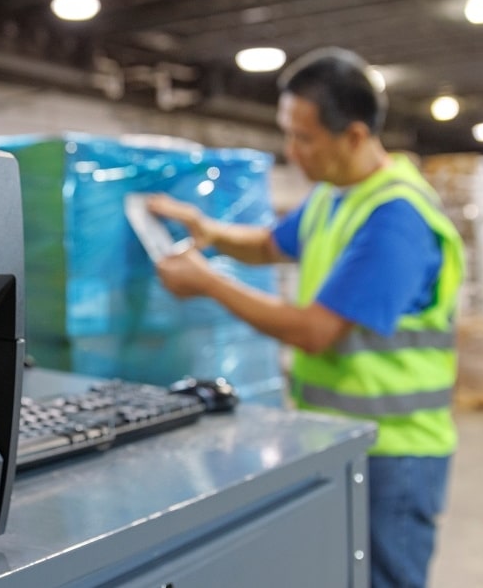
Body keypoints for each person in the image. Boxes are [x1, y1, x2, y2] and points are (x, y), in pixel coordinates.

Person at [147, 47, 465, 588]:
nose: (292, 153)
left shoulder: (396, 219)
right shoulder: (335, 197)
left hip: (396, 453)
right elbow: (271, 244)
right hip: (341, 437)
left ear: (356, 136)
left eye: (305, 138)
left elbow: (314, 332)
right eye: (287, 134)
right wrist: (209, 232)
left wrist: (208, 283)